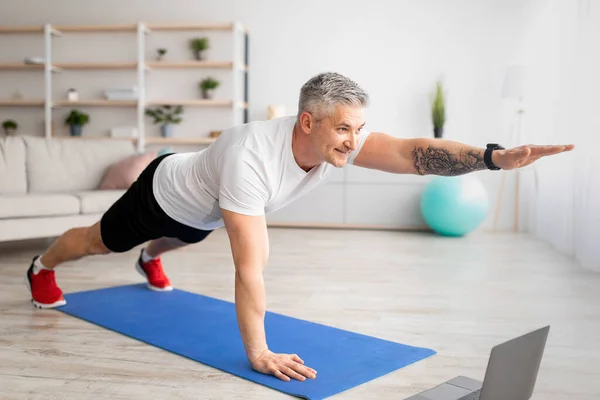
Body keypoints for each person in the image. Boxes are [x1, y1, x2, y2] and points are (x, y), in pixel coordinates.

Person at [24, 72, 574, 383]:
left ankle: (152, 258)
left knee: (189, 236)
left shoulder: (337, 139)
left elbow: (413, 153)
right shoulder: (251, 160)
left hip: (206, 207)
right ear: (307, 121)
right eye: (343, 129)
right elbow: (250, 268)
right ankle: (41, 265)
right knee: (99, 241)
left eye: (359, 130)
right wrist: (258, 351)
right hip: (163, 194)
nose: (353, 142)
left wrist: (493, 157)